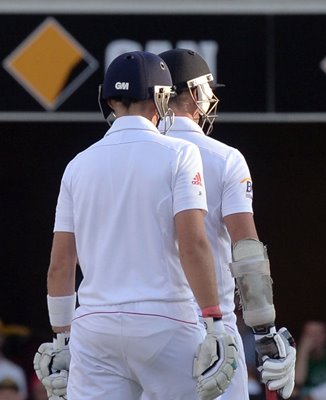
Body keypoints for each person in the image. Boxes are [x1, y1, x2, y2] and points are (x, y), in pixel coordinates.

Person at [33, 50, 239, 400]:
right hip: (167, 321)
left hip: (95, 327)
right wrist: (215, 323)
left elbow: (61, 264)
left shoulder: (77, 165)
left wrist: (62, 337)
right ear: (161, 97)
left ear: (109, 99)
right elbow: (193, 246)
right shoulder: (179, 154)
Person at [157, 48, 296, 399]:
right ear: (193, 93)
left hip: (139, 321)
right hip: (209, 323)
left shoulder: (122, 156)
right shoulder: (224, 158)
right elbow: (246, 248)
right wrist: (265, 329)